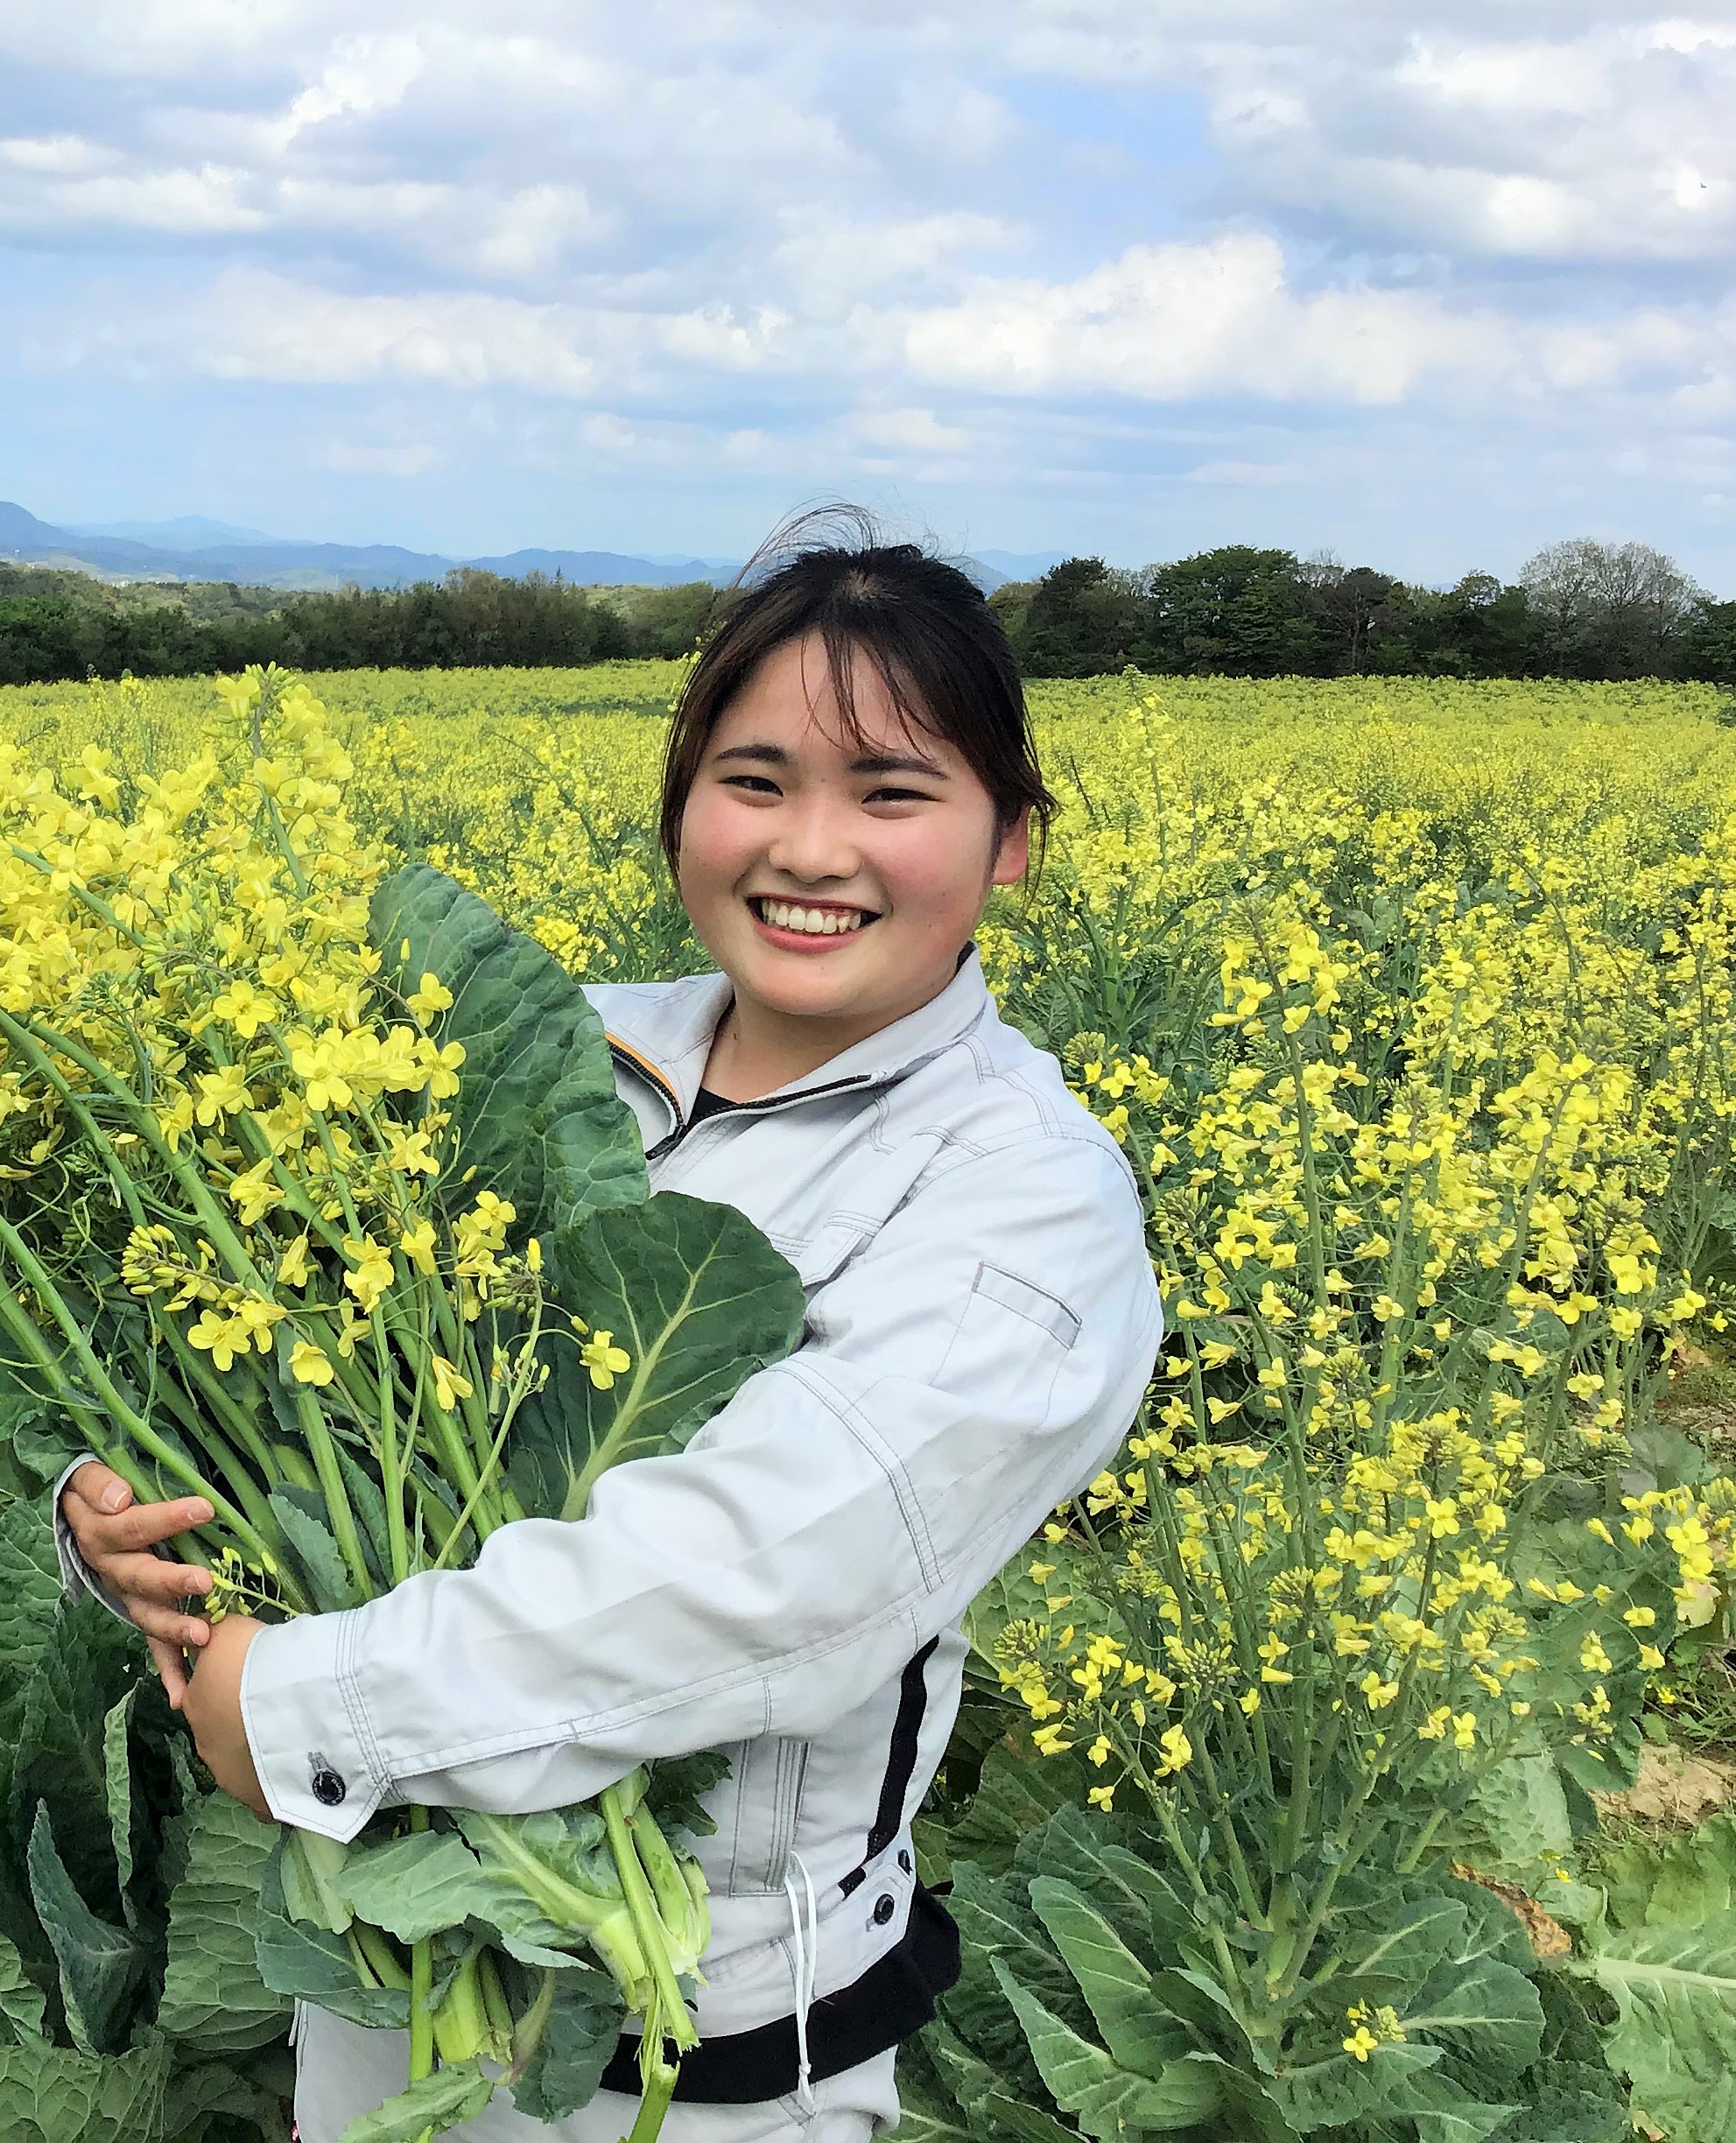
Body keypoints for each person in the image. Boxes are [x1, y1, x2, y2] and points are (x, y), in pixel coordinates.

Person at [57, 512, 1163, 2141]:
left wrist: (304, 1709)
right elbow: (255, 1361)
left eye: (895, 792)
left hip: (689, 2058)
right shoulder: (539, 1049)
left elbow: (763, 1580)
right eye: (758, 779)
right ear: (681, 809)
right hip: (376, 1985)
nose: (810, 848)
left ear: (1012, 841)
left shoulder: (1025, 1197)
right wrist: (114, 1512)